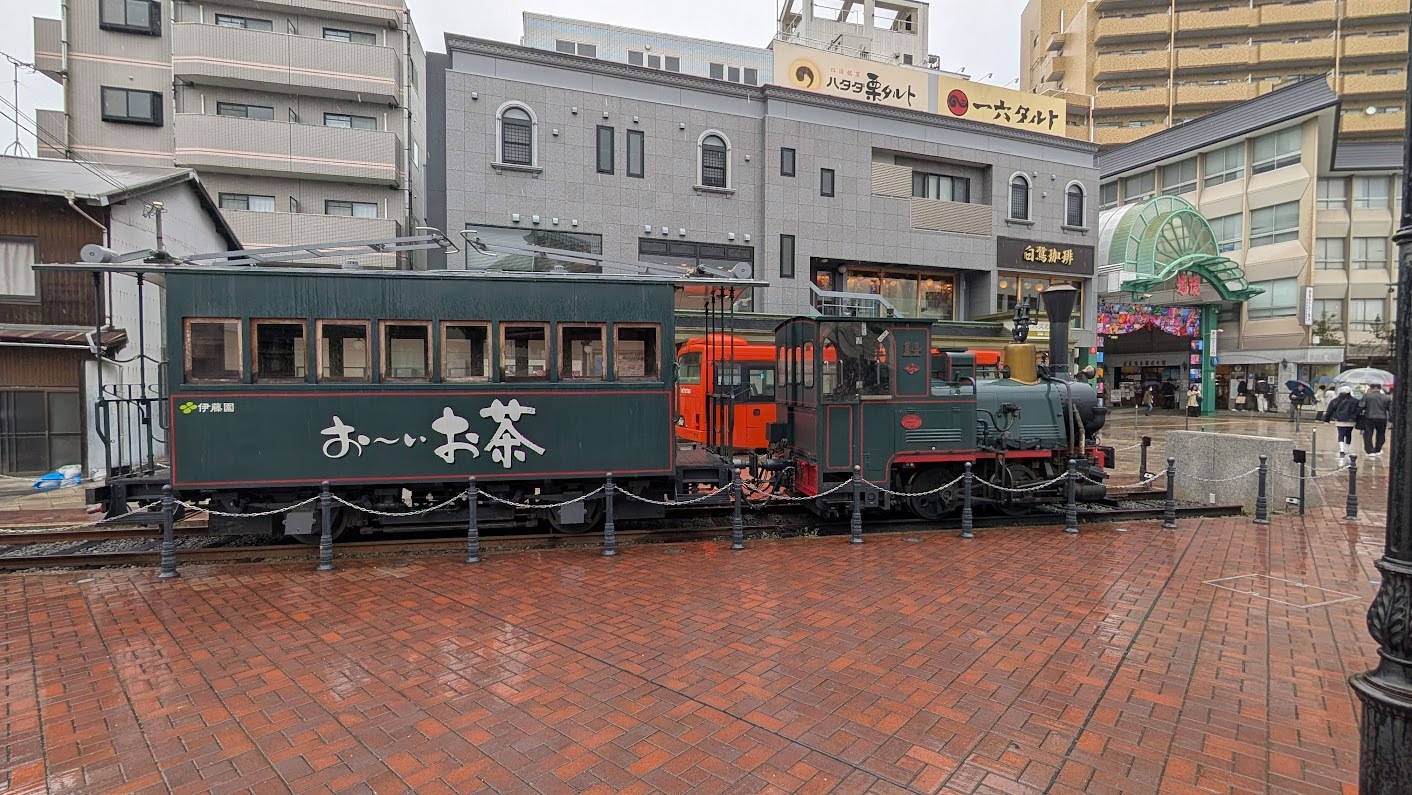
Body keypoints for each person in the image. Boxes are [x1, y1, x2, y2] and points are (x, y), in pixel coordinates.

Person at [1324, 385, 1360, 463]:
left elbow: (1330, 410)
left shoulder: (1335, 400)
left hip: (1339, 419)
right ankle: (1346, 449)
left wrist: (1326, 419)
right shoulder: (1355, 401)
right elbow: (1358, 410)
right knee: (1348, 434)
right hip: (1351, 420)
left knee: (1340, 433)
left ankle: (1341, 448)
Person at [1359, 383, 1392, 457]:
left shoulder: (1367, 396)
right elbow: (1390, 409)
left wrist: (1357, 415)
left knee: (1368, 433)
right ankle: (1378, 449)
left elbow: (1361, 406)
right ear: (1380, 389)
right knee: (1381, 433)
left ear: (1371, 388)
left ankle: (1369, 450)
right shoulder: (1387, 397)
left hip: (1369, 417)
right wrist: (1391, 419)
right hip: (1382, 418)